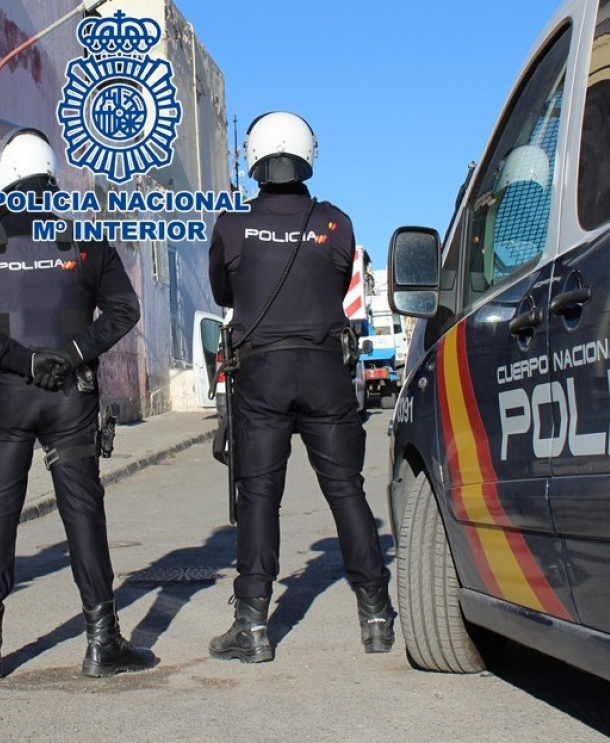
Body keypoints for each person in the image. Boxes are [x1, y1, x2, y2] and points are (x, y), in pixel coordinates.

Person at [0, 120, 156, 679]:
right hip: (70, 396)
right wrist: (70, 353)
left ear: (4, 176)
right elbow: (124, 312)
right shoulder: (85, 245)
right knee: (84, 512)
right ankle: (101, 639)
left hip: (6, 401)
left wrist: (23, 361)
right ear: (48, 176)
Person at [207, 111, 394, 663]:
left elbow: (224, 290)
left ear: (254, 159)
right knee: (346, 489)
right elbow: (339, 281)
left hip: (261, 374)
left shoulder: (231, 226)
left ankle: (253, 625)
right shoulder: (336, 223)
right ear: (308, 154)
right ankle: (377, 615)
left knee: (260, 494)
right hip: (324, 371)